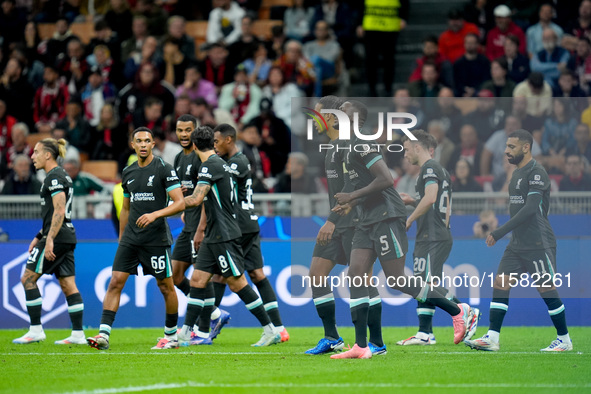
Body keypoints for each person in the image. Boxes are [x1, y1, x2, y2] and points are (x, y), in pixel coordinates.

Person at [330, 101, 476, 359]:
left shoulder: (362, 143)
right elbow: (362, 184)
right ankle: (361, 346)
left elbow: (386, 179)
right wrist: (351, 202)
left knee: (397, 279)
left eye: (344, 111)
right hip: (365, 218)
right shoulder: (345, 147)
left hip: (387, 215)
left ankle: (457, 310)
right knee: (355, 274)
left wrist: (352, 195)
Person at [466, 129, 573, 352]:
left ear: (526, 147)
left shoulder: (537, 172)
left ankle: (564, 339)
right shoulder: (515, 174)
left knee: (546, 288)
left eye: (511, 147)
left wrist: (499, 231)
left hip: (538, 242)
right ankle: (492, 338)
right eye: (506, 146)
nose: (506, 151)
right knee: (500, 284)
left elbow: (531, 209)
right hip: (517, 244)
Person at [177, 126, 282, 347]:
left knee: (237, 282)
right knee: (197, 279)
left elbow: (196, 199)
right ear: (212, 143)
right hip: (214, 233)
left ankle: (271, 329)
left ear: (194, 145)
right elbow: (206, 200)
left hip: (224, 234)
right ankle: (186, 332)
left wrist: (162, 208)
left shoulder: (211, 166)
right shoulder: (218, 164)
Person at [87, 127, 185, 350]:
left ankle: (170, 336)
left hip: (156, 238)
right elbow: (126, 209)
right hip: (131, 238)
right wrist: (122, 237)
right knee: (115, 282)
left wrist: (155, 214)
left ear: (152, 144)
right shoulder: (129, 172)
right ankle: (103, 335)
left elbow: (180, 202)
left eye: (147, 141)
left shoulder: (163, 169)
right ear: (133, 145)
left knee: (166, 287)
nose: (143, 144)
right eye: (139, 141)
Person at [302, 95, 384, 356]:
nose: (313, 120)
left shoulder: (349, 144)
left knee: (363, 281)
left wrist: (331, 220)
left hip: (356, 222)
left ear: (329, 117)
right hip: (338, 222)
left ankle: (377, 342)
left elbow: (354, 184)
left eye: (317, 115)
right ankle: (332, 337)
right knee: (316, 274)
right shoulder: (332, 146)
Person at [397, 130, 479, 346]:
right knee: (425, 284)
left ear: (417, 147)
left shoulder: (430, 167)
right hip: (433, 234)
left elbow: (432, 198)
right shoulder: (436, 169)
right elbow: (439, 202)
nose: (404, 155)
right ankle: (425, 333)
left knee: (423, 284)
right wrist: (413, 201)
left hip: (432, 236)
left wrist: (410, 219)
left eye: (406, 149)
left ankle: (463, 310)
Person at [213, 123, 289, 341]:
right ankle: (279, 327)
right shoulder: (236, 161)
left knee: (221, 275)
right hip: (249, 222)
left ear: (229, 140)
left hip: (238, 225)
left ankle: (204, 326)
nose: (215, 147)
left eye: (217, 142)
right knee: (254, 274)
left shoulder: (237, 162)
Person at [13, 138, 85, 345]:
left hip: (58, 236)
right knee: (68, 284)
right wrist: (39, 235)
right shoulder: (59, 176)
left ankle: (36, 330)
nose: (32, 156)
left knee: (27, 279)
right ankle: (78, 334)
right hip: (67, 234)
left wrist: (49, 239)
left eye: (36, 152)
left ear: (47, 155)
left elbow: (60, 210)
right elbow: (55, 213)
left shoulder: (53, 177)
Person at [359, 0, 409, 96]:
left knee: (389, 60)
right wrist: (359, 23)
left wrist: (404, 18)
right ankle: (372, 89)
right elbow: (360, 5)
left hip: (390, 26)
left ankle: (388, 88)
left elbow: (405, 3)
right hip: (371, 26)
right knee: (371, 60)